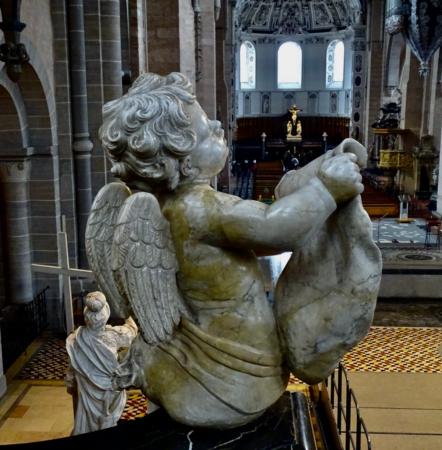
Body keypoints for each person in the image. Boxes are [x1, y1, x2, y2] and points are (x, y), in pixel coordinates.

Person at [94, 72, 380, 428]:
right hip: (237, 375)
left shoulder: (165, 207)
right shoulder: (200, 207)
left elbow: (238, 250)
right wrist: (327, 190)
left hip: (209, 352)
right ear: (181, 162)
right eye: (206, 131)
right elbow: (279, 229)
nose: (218, 124)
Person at [65, 292, 138, 435]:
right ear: (106, 313)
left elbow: (71, 372)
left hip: (88, 395)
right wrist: (126, 311)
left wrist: (71, 385)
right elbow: (132, 330)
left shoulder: (75, 340)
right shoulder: (115, 335)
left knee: (86, 425)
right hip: (109, 393)